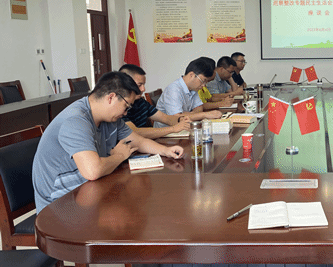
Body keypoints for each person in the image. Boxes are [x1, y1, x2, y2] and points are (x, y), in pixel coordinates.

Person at [32, 71, 184, 214]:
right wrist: (119, 156)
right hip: (59, 205)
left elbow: (138, 141)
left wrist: (166, 150)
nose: (126, 113)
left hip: (87, 191)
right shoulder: (75, 121)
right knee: (129, 210)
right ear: (111, 98)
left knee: (137, 204)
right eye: (126, 106)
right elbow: (93, 171)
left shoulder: (110, 118)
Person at [118, 64, 191, 139]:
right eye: (139, 85)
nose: (143, 89)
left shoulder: (140, 102)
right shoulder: (119, 106)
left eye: (143, 84)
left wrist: (180, 120)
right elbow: (134, 132)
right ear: (126, 84)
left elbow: (165, 118)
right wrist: (173, 129)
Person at [154, 57, 223, 127]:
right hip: (168, 131)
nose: (203, 85)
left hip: (185, 127)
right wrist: (205, 114)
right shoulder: (173, 89)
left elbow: (199, 108)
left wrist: (187, 115)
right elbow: (177, 118)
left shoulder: (194, 88)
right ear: (191, 75)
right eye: (203, 81)